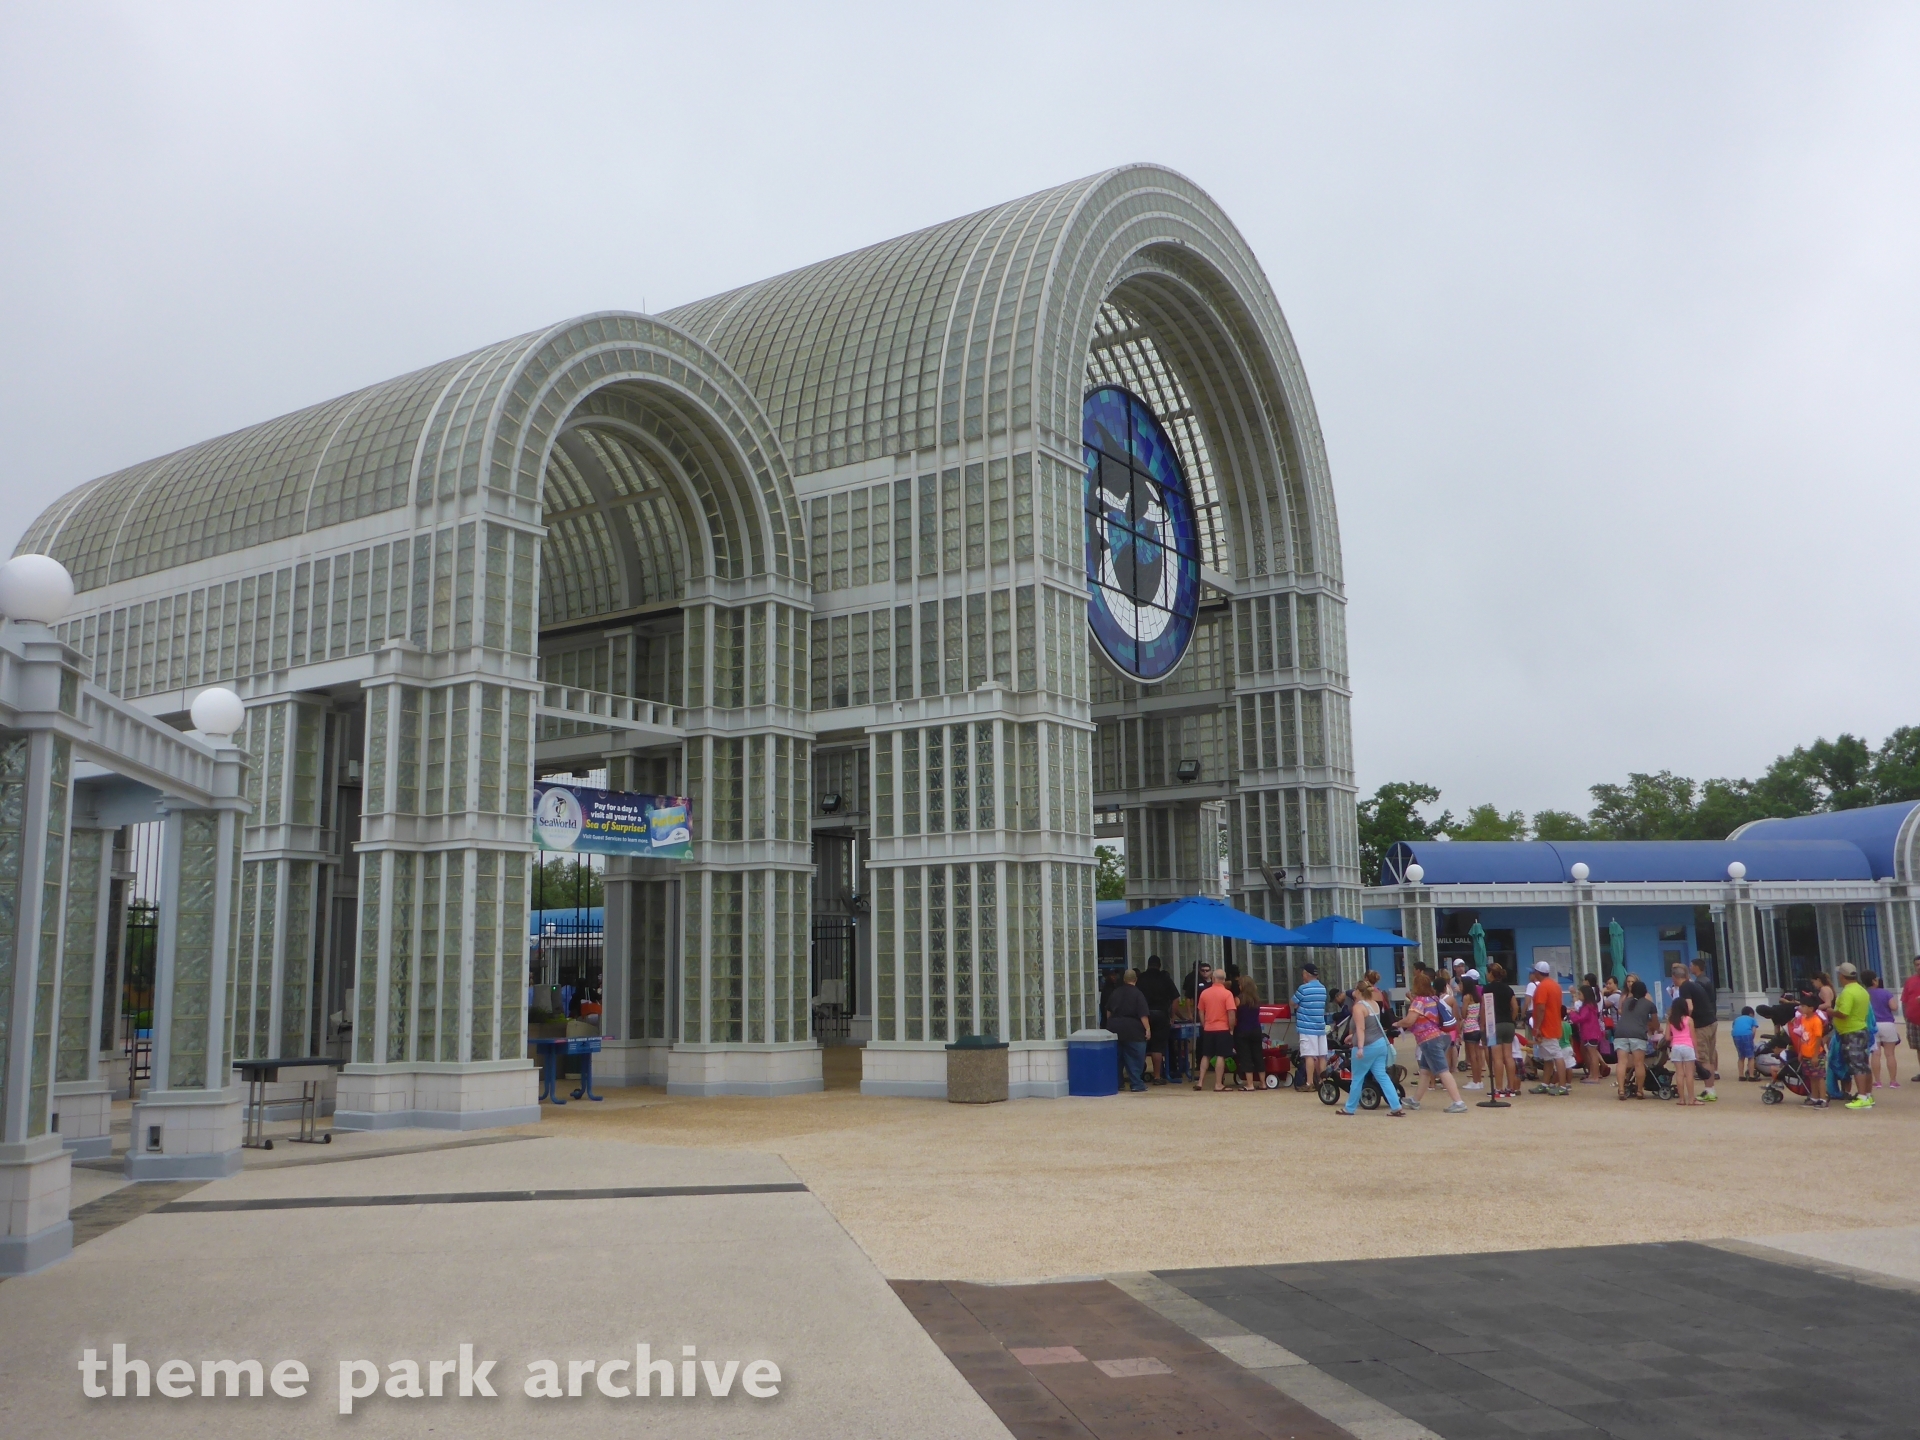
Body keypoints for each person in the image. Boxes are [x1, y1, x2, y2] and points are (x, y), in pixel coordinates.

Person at [1339, 972, 1405, 1117]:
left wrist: (1359, 1047)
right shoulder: (1374, 1004)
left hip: (1367, 1045)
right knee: (1382, 1076)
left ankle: (1350, 1108)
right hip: (1380, 1043)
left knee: (1357, 1077)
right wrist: (1353, 1037)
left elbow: (1361, 1028)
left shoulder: (1358, 1007)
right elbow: (1371, 1026)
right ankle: (1396, 1106)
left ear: (1358, 991)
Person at [1402, 971, 1467, 1112]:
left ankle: (1458, 1102)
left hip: (1429, 1040)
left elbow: (1409, 1020)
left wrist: (1397, 1024)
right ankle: (1415, 1100)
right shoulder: (1433, 999)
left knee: (1443, 1070)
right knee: (1425, 1071)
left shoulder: (1419, 1001)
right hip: (1441, 1035)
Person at [1834, 962, 1876, 1110]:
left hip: (1851, 1031)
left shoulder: (1848, 992)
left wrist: (1831, 1012)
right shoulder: (1861, 990)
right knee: (1864, 1063)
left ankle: (1862, 1096)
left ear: (1842, 976)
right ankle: (1868, 1095)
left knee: (1856, 1064)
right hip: (1861, 1028)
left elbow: (1844, 1013)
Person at [1105, 968, 1152, 1093]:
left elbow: (1108, 1012)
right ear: (1136, 979)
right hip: (1133, 1030)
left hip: (1114, 1028)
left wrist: (1110, 1026)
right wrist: (1147, 1029)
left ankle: (1118, 1083)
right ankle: (1136, 1083)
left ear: (1124, 980)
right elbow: (1143, 1015)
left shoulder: (1115, 992)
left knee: (1117, 1058)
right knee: (1136, 1058)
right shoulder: (1138, 994)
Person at [1528, 961, 1569, 1095]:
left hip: (1547, 1027)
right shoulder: (1555, 985)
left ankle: (1562, 1086)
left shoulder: (1542, 987)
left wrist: (1537, 1027)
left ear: (1537, 973)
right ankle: (1545, 1084)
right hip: (1553, 1024)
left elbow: (1541, 1008)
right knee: (1547, 1058)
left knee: (1557, 1056)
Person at [1613, 979, 1657, 1100]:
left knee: (1622, 1062)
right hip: (1638, 1035)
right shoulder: (1649, 1004)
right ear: (1645, 992)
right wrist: (1655, 1029)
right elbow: (1655, 1023)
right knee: (1639, 1063)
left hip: (1620, 1033)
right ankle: (1639, 1090)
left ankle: (1621, 1089)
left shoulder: (1626, 1002)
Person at [1194, 968, 1237, 1092]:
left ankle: (1200, 1081)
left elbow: (1200, 1011)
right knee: (1220, 1055)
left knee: (1206, 1055)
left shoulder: (1205, 993)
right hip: (1222, 1028)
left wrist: (1205, 1024)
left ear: (1213, 979)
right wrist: (1231, 1028)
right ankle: (1218, 1084)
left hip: (1209, 1028)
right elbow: (1231, 1013)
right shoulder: (1227, 994)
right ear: (1224, 980)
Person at [1685, 957, 1721, 1101]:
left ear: (1696, 967)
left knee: (1704, 1057)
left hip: (1703, 1023)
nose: (1690, 967)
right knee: (1710, 1056)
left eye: (1691, 965)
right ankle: (1710, 1088)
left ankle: (1709, 1089)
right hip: (1711, 1020)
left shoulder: (1699, 983)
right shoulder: (1706, 981)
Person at [1139, 956, 1179, 1084]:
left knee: (1142, 1045)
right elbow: (1175, 999)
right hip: (1161, 1015)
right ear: (1159, 965)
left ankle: (1139, 1074)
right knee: (1158, 1047)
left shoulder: (1141, 978)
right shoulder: (1165, 978)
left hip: (1144, 1016)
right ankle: (1157, 1076)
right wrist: (1172, 1016)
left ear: (1148, 964)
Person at [1291, 963, 1329, 1090]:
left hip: (1307, 1027)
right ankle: (1323, 1081)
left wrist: (1299, 1006)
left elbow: (1292, 1003)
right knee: (1322, 1055)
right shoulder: (1323, 988)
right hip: (1320, 1027)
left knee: (1309, 1055)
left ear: (1307, 974)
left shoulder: (1303, 989)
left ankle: (1309, 1083)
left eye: (1303, 973)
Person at [1789, 993, 1829, 1108]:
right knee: (1811, 1076)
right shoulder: (1804, 1019)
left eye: (1803, 1006)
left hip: (1816, 1053)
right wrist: (1801, 1052)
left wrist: (1815, 1055)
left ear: (1811, 1008)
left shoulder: (1816, 1021)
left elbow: (1818, 1038)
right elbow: (1803, 1036)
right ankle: (1814, 1097)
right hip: (1806, 1053)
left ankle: (1823, 1098)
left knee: (1819, 1077)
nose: (1800, 1008)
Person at [1487, 963, 1519, 1098]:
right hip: (1508, 1024)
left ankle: (1498, 1088)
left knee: (1497, 1058)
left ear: (1491, 974)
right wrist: (1511, 1019)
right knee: (1508, 1056)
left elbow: (1484, 1007)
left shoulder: (1487, 988)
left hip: (1494, 1024)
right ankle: (1510, 1087)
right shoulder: (1508, 989)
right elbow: (1515, 1007)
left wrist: (1483, 1024)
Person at [1867, 972, 1900, 1089]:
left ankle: (1878, 1081)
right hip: (1887, 1023)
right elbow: (1894, 1007)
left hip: (1872, 1025)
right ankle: (1893, 1081)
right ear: (1874, 981)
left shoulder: (1864, 993)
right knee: (1890, 1054)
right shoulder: (1886, 993)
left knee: (1875, 1054)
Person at [1233, 975, 1264, 1092]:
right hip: (1256, 1029)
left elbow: (1234, 1015)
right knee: (1258, 1056)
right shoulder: (1256, 999)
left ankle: (1250, 1084)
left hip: (1242, 1030)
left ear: (1243, 986)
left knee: (1246, 1057)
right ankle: (1263, 1083)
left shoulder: (1238, 999)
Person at [1571, 983, 1607, 1083]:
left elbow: (1581, 1018)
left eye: (1580, 994)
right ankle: (1592, 1075)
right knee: (1592, 1054)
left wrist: (1572, 1014)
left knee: (1592, 1055)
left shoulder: (1587, 1007)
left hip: (1590, 1033)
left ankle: (1595, 1077)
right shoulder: (1591, 1006)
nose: (1578, 996)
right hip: (1591, 1033)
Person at [1667, 998, 1700, 1105]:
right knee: (1689, 1074)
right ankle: (1691, 1099)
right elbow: (1693, 1037)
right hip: (1688, 1046)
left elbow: (1667, 1037)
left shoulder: (1671, 1020)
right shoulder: (1689, 1020)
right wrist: (1696, 1051)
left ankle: (1681, 1099)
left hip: (1676, 1047)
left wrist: (1675, 1038)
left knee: (1679, 1074)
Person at [1460, 971, 1486, 1090]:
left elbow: (1463, 1014)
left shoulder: (1466, 997)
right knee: (1477, 1055)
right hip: (1476, 1026)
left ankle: (1475, 1081)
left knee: (1472, 1056)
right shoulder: (1477, 997)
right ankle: (1479, 1080)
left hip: (1469, 1028)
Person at [1731, 1005, 1759, 1081]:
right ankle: (1751, 1075)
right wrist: (1751, 1039)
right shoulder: (1752, 1019)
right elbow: (1753, 1030)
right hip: (1747, 1034)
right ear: (1751, 1014)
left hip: (1735, 1035)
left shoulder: (1737, 1019)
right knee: (1751, 1056)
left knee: (1741, 1056)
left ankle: (1741, 1075)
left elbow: (1734, 1027)